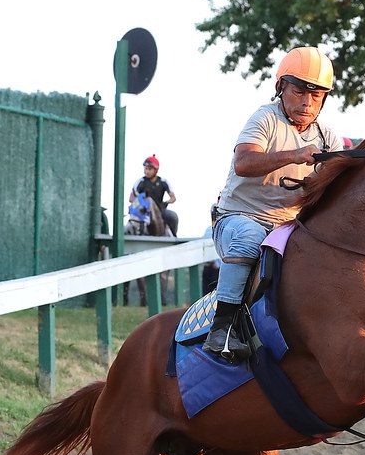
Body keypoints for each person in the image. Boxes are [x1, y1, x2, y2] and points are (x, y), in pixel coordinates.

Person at [205, 46, 343, 360]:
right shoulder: (265, 118)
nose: (308, 102)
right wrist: (294, 156)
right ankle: (222, 329)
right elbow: (243, 162)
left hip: (288, 228)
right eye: (300, 92)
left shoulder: (328, 139)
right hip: (237, 219)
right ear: (281, 87)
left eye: (317, 96)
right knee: (250, 237)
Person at [129, 155, 178, 237]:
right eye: (145, 169)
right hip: (143, 210)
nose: (147, 171)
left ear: (156, 170)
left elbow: (173, 198)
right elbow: (131, 198)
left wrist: (166, 202)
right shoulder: (140, 182)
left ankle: (173, 238)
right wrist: (140, 202)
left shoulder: (163, 182)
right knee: (131, 223)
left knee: (172, 216)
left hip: (159, 209)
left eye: (149, 169)